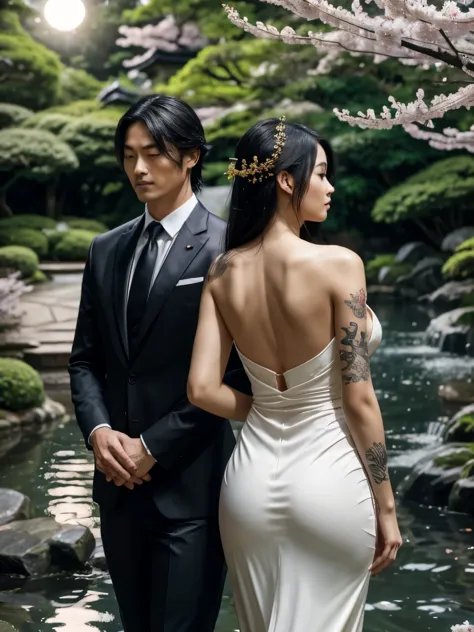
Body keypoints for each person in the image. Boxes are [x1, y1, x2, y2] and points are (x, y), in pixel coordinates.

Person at [187, 117, 402, 632]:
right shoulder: (339, 264)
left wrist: (266, 407)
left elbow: (201, 390)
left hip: (247, 488)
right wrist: (388, 509)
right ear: (287, 180)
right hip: (328, 481)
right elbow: (360, 401)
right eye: (321, 174)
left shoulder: (222, 272)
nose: (329, 187)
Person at [68, 94, 250, 632]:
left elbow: (241, 374)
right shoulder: (106, 248)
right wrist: (99, 430)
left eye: (154, 153)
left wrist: (154, 446)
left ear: (191, 155)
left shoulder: (231, 247)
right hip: (117, 485)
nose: (139, 168)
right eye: (128, 155)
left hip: (192, 487)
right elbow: (85, 361)